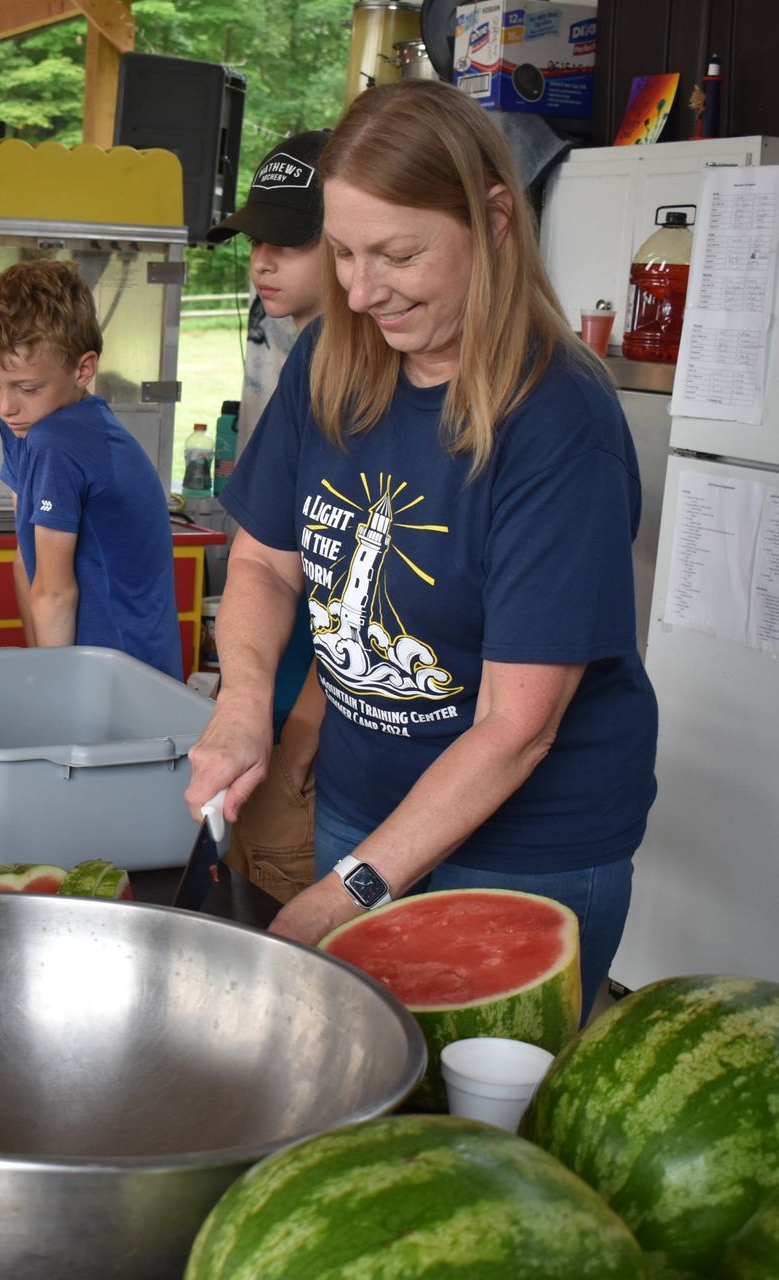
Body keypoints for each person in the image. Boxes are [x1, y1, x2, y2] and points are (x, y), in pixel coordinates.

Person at [185, 81, 657, 1019]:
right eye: (346, 252)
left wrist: (349, 891)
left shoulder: (559, 422)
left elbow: (517, 724)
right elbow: (265, 562)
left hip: (525, 854)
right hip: (362, 806)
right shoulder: (333, 358)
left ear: (492, 221)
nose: (361, 291)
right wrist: (243, 707)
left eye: (398, 254)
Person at [203, 129, 331, 903]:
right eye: (256, 239)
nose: (262, 260)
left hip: (313, 742)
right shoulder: (308, 366)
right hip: (270, 719)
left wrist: (310, 716)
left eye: (290, 241)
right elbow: (264, 558)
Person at [0, 259, 180, 678]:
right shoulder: (27, 426)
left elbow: (57, 592)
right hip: (92, 668)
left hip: (124, 676)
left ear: (83, 370)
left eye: (27, 387)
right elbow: (26, 561)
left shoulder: (56, 441)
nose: (6, 405)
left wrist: (51, 686)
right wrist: (42, 671)